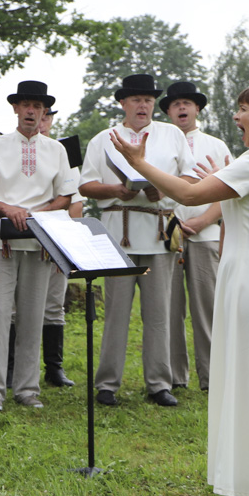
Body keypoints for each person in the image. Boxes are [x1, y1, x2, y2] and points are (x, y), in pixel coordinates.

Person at [111, 83, 249, 496]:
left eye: (244, 109)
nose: (237, 117)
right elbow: (240, 202)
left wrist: (139, 163)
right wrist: (215, 182)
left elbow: (185, 196)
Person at [79, 73, 195, 407]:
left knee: (159, 313)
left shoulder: (171, 134)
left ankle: (159, 383)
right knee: (115, 312)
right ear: (123, 103)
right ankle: (107, 384)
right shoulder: (104, 138)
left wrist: (165, 187)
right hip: (119, 233)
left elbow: (189, 177)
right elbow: (86, 186)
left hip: (159, 233)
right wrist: (117, 189)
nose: (142, 105)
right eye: (135, 99)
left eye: (147, 99)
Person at [0, 81, 74, 412]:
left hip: (40, 241)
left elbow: (66, 195)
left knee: (33, 317)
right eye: (26, 105)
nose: (31, 111)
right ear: (15, 108)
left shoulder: (57, 149)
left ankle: (28, 389)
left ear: (45, 112)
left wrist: (37, 215)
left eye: (37, 107)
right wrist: (10, 210)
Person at [161, 81, 230, 392]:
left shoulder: (216, 145)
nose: (182, 108)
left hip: (205, 235)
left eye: (187, 103)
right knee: (169, 309)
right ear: (168, 112)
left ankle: (212, 377)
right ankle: (175, 376)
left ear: (197, 109)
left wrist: (203, 221)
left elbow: (230, 192)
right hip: (167, 235)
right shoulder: (157, 144)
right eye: (175, 105)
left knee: (207, 309)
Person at [35, 107, 79, 388]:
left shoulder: (65, 154)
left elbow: (75, 201)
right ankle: (13, 368)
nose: (41, 121)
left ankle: (54, 369)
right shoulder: (12, 148)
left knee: (54, 305)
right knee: (17, 307)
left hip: (56, 236)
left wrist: (65, 239)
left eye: (47, 116)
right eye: (37, 115)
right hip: (23, 236)